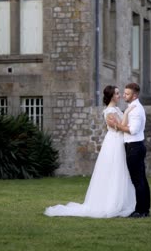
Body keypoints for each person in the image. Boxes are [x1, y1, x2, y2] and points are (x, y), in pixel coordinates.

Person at [44, 85, 136, 218]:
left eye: (119, 93)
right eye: (116, 93)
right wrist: (127, 113)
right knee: (114, 170)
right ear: (111, 96)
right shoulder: (109, 111)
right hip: (114, 142)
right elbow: (118, 128)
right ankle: (110, 203)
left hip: (119, 142)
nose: (119, 95)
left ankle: (121, 202)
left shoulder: (116, 109)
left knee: (121, 171)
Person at [107, 82, 151, 218]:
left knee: (137, 180)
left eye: (127, 94)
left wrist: (117, 126)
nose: (124, 95)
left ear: (134, 95)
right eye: (124, 93)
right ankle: (144, 209)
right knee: (141, 179)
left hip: (134, 147)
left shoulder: (136, 109)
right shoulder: (132, 107)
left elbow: (132, 130)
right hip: (135, 146)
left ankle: (140, 210)